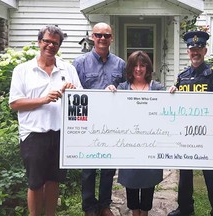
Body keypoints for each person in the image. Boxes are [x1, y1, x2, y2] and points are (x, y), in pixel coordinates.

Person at [8, 25, 82, 216]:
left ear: (59, 46)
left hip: (60, 133)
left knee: (53, 180)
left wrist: (71, 91)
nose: (50, 45)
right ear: (39, 42)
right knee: (35, 183)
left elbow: (81, 100)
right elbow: (15, 103)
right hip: (34, 134)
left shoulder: (69, 69)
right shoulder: (23, 70)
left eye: (55, 43)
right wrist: (44, 99)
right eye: (47, 41)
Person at [168, 31, 213, 216]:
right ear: (188, 51)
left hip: (208, 135)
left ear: (205, 50)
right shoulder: (182, 77)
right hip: (186, 135)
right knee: (184, 175)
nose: (196, 52)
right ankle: (185, 209)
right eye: (192, 49)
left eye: (199, 48)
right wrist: (171, 94)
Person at [72, 22, 126, 216]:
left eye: (106, 35)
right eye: (98, 35)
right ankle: (89, 206)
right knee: (88, 168)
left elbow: (126, 91)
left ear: (111, 38)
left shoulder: (120, 64)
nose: (102, 38)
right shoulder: (79, 64)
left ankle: (104, 205)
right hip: (88, 123)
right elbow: (73, 93)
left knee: (108, 168)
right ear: (92, 37)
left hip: (112, 123)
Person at [106, 50, 164, 216]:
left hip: (151, 145)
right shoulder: (122, 88)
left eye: (143, 65)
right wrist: (109, 93)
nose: (139, 69)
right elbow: (112, 111)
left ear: (148, 68)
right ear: (130, 68)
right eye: (135, 65)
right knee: (131, 181)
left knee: (148, 182)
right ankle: (134, 212)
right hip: (128, 145)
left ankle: (144, 212)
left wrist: (172, 94)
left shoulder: (157, 88)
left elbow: (167, 112)